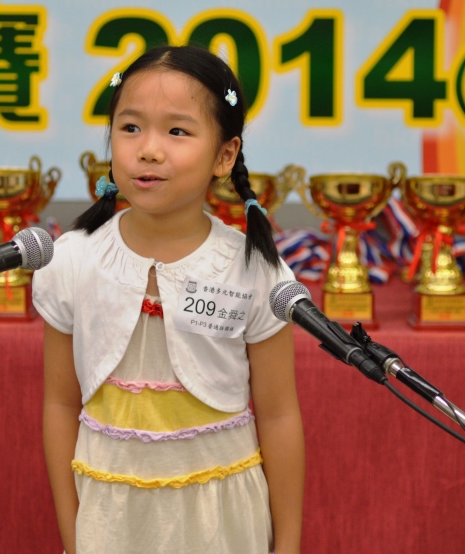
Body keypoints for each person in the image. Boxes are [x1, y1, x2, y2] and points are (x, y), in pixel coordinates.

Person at [36, 44, 305, 554]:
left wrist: (287, 545)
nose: (148, 150)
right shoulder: (72, 260)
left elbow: (278, 416)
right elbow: (60, 402)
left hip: (222, 520)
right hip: (111, 517)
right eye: (130, 127)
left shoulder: (253, 269)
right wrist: (73, 535)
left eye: (177, 131)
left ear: (225, 155)